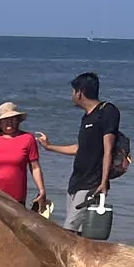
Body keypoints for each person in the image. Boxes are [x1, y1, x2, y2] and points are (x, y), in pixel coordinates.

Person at [38, 72, 121, 236]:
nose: (72, 95)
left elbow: (108, 149)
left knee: (69, 231)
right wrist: (49, 147)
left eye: (73, 91)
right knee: (79, 232)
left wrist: (104, 181)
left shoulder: (107, 111)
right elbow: (79, 149)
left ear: (80, 92)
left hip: (92, 182)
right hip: (77, 180)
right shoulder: (87, 118)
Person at [0, 101, 48, 213]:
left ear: (18, 120)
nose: (9, 122)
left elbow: (35, 168)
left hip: (15, 198)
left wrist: (42, 190)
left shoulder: (27, 139)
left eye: (13, 119)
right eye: (5, 119)